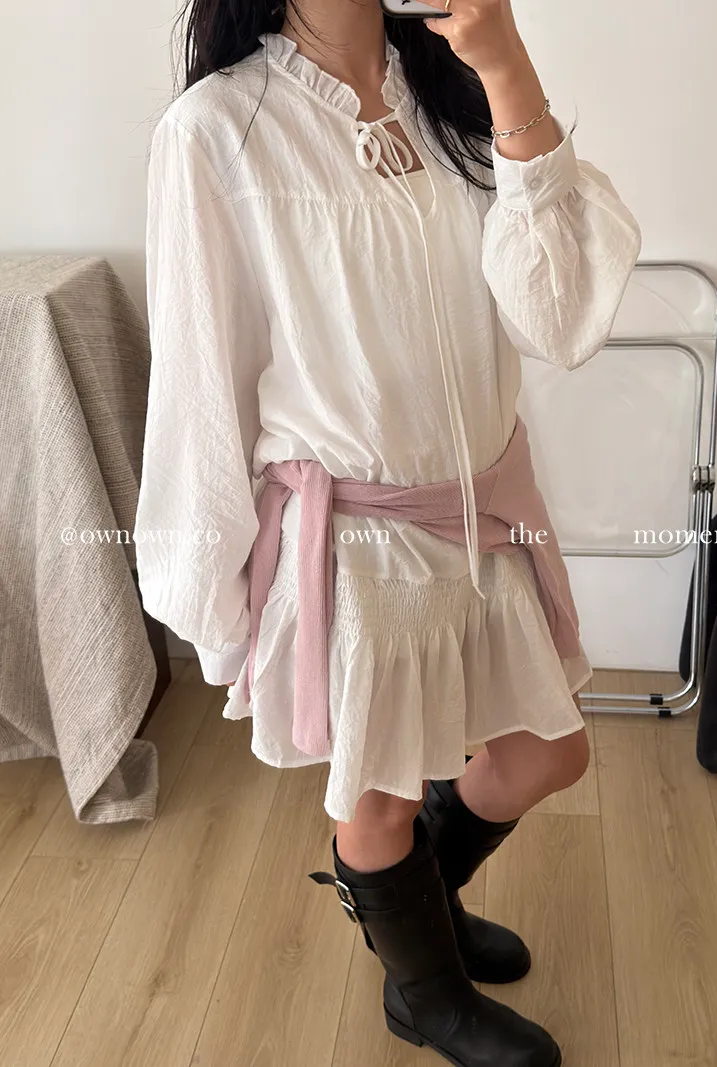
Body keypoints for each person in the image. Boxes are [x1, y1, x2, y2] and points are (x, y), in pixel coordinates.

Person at [135, 0, 641, 1063]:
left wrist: (506, 66)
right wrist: (209, 585)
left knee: (549, 750)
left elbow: (556, 321)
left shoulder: (451, 94)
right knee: (379, 798)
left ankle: (413, 906)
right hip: (354, 543)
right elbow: (197, 379)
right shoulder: (217, 128)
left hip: (484, 512)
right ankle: (425, 991)